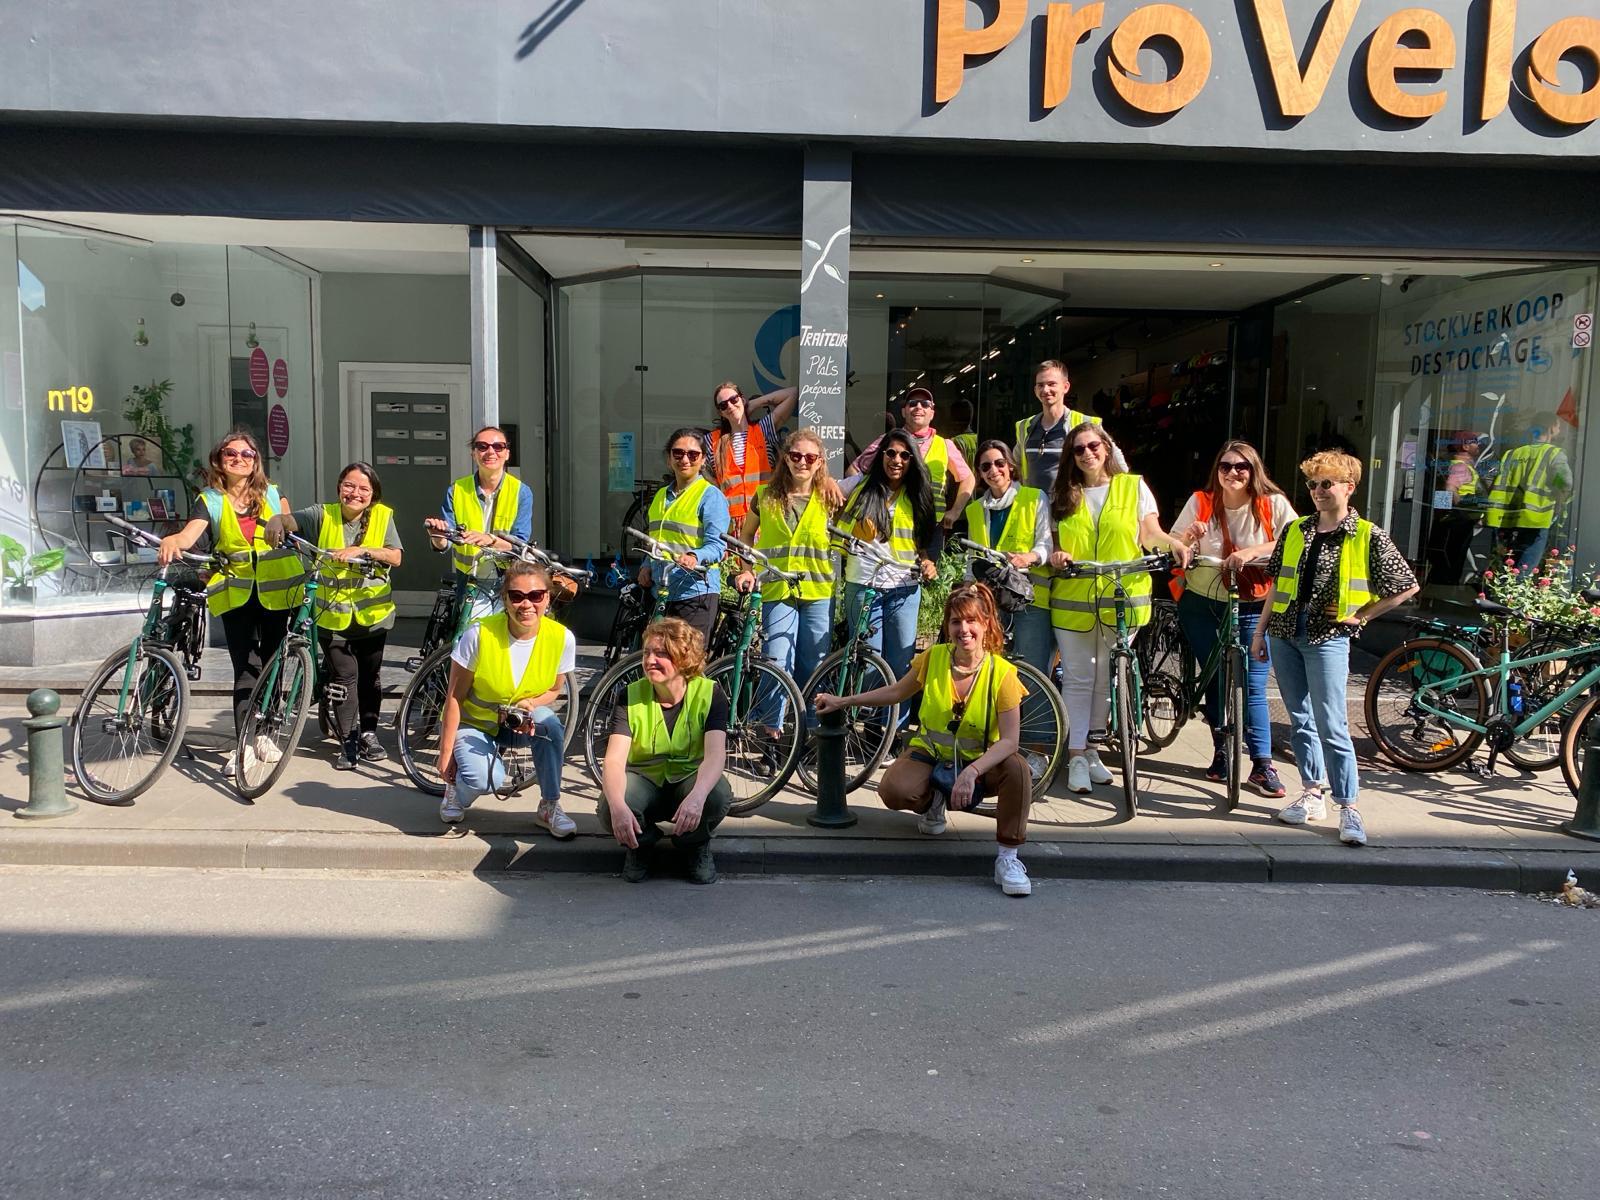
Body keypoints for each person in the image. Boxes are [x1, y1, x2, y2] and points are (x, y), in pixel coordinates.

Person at [816, 583, 1036, 897]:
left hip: (981, 761)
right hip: (931, 751)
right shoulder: (933, 658)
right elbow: (896, 692)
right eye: (956, 621)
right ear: (947, 626)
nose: (964, 629)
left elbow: (1010, 741)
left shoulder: (1002, 673)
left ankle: (1008, 858)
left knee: (1018, 770)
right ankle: (935, 801)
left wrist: (971, 773)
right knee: (893, 790)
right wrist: (844, 701)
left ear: (986, 624)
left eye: (971, 621)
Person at [1250, 450, 1419, 846]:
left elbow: (1406, 585)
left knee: (1332, 723)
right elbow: (1276, 586)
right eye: (1313, 484)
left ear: (1348, 487)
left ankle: (1349, 806)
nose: (1319, 491)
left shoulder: (1366, 534)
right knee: (1300, 718)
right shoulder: (1297, 530)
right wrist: (1260, 633)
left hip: (1327, 636)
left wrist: (1362, 616)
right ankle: (1312, 792)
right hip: (1285, 631)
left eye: (1327, 483)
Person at [1048, 422, 1190, 795]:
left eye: (1093, 446)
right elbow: (1055, 543)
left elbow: (1149, 533)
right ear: (1071, 457)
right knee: (1079, 677)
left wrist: (1172, 543)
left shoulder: (1132, 485)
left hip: (1121, 597)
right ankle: (1075, 753)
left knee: (1105, 678)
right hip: (1075, 600)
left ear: (1106, 448)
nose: (1087, 454)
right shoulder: (1063, 493)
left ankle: (1091, 749)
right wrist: (1058, 555)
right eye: (1078, 450)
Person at [157, 429, 303, 777]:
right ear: (219, 460)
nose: (239, 458)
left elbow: (292, 522)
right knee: (245, 667)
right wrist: (173, 538)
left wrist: (283, 520)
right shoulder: (210, 498)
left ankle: (266, 733)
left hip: (277, 590)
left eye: (247, 454)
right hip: (237, 593)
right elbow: (191, 534)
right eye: (230, 454)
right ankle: (245, 744)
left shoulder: (272, 492)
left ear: (256, 461)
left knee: (272, 663)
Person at [1172, 441, 1299, 798]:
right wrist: (1188, 539)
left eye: (1241, 466)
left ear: (1254, 470)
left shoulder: (1272, 504)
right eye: (1225, 466)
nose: (1232, 473)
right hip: (1204, 600)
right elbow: (1176, 545)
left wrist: (1253, 551)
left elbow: (1294, 542)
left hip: (1254, 603)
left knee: (1252, 684)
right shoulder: (1202, 501)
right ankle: (1221, 752)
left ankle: (1261, 764)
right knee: (1214, 676)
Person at [272, 463, 403, 769]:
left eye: (363, 488)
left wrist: (365, 550)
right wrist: (278, 520)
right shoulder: (323, 513)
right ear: (339, 487)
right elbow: (292, 520)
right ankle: (349, 740)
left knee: (370, 677)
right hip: (332, 614)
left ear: (373, 495)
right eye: (349, 485)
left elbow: (396, 556)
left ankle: (369, 734)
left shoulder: (384, 516)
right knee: (346, 677)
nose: (354, 493)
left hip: (371, 615)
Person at [434, 561, 578, 837]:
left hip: (519, 723)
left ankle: (550, 805)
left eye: (535, 596)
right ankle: (455, 790)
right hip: (475, 721)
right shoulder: (479, 634)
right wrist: (445, 753)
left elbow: (554, 689)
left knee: (549, 724)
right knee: (485, 779)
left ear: (547, 598)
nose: (526, 604)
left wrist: (532, 705)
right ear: (505, 599)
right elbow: (454, 696)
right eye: (517, 596)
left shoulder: (562, 638)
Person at [598, 617, 733, 884]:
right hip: (645, 780)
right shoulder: (630, 694)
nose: (650, 660)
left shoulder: (710, 693)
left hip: (687, 779)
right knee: (608, 807)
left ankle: (694, 845)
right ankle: (641, 846)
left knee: (717, 795)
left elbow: (716, 755)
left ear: (684, 659)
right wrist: (617, 806)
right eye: (647, 652)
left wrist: (697, 797)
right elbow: (613, 760)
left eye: (661, 653)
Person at [734, 429, 844, 736]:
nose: (802, 463)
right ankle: (771, 730)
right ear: (786, 458)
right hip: (777, 588)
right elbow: (745, 535)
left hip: (817, 590)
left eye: (810, 458)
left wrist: (833, 480)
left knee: (814, 663)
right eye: (796, 456)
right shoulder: (765, 495)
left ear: (820, 462)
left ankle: (810, 729)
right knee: (777, 660)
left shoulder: (830, 497)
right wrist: (746, 569)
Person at [839, 427, 940, 685]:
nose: (897, 460)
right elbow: (826, 492)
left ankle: (897, 725)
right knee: (868, 662)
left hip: (904, 588)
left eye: (905, 456)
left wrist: (928, 562)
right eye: (891, 453)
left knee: (901, 666)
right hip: (864, 585)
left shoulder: (919, 494)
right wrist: (826, 480)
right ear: (881, 455)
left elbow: (924, 541)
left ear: (912, 460)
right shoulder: (860, 485)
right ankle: (867, 723)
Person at [963, 440, 1053, 675]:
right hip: (991, 600)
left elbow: (1046, 545)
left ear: (1010, 466)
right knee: (992, 672)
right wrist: (966, 591)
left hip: (1030, 598)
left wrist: (1028, 557)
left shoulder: (1034, 498)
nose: (993, 470)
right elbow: (973, 559)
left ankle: (1036, 713)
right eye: (985, 467)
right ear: (980, 474)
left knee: (1033, 673)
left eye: (999, 463)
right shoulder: (975, 510)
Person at [423, 425, 531, 614]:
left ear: (507, 454)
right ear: (473, 453)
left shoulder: (521, 492)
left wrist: (491, 540)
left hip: (506, 580)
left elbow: (520, 545)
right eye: (482, 446)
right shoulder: (456, 490)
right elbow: (445, 543)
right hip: (468, 580)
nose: (490, 451)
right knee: (465, 638)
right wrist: (437, 537)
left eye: (498, 447)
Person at [640, 428, 730, 646]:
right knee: (661, 662)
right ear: (669, 458)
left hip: (695, 593)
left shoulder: (710, 496)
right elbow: (656, 539)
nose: (685, 459)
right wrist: (646, 565)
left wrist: (694, 556)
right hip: (661, 590)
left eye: (693, 454)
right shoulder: (661, 495)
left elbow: (717, 546)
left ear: (703, 460)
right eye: (678, 453)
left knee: (687, 664)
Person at [848, 386, 974, 532]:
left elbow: (968, 479)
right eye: (912, 403)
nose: (918, 407)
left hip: (930, 527)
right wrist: (869, 503)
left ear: (932, 413)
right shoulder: (888, 441)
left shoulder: (945, 445)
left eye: (925, 404)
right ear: (904, 411)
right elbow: (854, 470)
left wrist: (955, 511)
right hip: (891, 526)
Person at [1013, 360, 1123, 493]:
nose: (1045, 390)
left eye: (1051, 384)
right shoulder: (1025, 427)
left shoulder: (1087, 424)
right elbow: (1015, 466)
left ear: (1065, 387)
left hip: (1070, 507)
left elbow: (1118, 465)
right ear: (1035, 390)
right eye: (1040, 385)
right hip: (1033, 508)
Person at [702, 380, 798, 527]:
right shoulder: (711, 441)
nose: (730, 406)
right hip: (730, 523)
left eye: (734, 399)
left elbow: (793, 393)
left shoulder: (763, 430)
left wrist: (754, 404)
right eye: (723, 405)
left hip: (765, 518)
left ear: (742, 399)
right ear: (720, 412)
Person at [1483, 422, 1573, 573]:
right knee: (1524, 568)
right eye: (1558, 427)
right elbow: (1566, 482)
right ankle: (1511, 595)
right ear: (1551, 428)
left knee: (1509, 563)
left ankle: (1502, 593)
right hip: (1536, 517)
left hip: (1508, 517)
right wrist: (1557, 495)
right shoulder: (1553, 453)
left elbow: (1490, 479)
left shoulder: (1512, 453)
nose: (1559, 430)